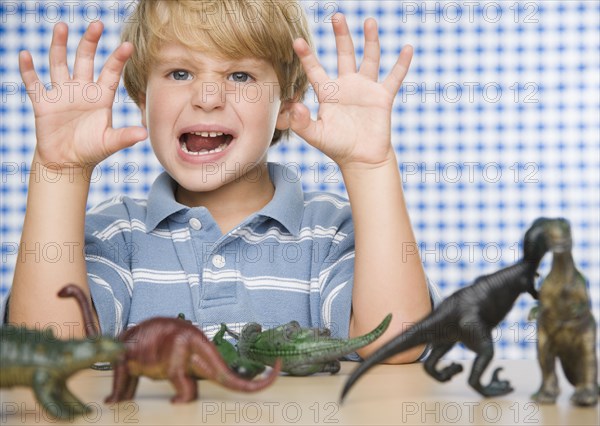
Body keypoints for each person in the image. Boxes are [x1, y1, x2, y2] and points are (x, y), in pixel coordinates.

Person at [6, 0, 436, 363]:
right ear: (142, 100)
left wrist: (369, 167)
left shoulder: (330, 233)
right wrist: (60, 174)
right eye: (179, 73)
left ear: (286, 105)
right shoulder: (118, 233)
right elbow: (49, 351)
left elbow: (396, 343)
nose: (207, 98)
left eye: (240, 76)